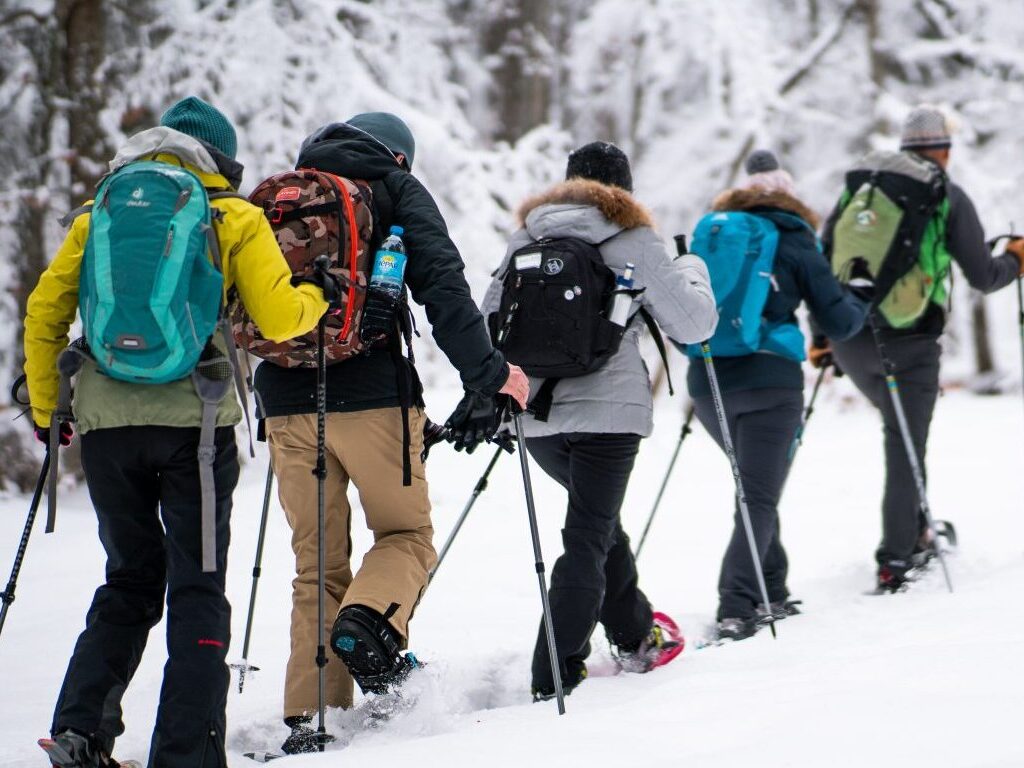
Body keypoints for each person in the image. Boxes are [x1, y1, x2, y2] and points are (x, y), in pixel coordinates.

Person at [24, 97, 332, 768]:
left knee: (129, 579)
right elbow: (279, 319)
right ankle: (186, 754)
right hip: (194, 423)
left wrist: (51, 411)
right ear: (221, 160)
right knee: (198, 585)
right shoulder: (232, 216)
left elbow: (45, 310)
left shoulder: (101, 211)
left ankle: (80, 729)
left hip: (107, 426)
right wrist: (319, 298)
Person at [253, 113, 529, 752]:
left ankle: (311, 717)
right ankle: (368, 625)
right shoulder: (396, 189)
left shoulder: (282, 197)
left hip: (286, 400)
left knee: (315, 562)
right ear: (399, 156)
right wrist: (489, 378)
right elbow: (443, 289)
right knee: (405, 534)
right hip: (375, 396)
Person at [481, 141, 718, 699]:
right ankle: (555, 672)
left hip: (536, 417)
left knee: (597, 523)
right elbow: (694, 325)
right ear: (623, 190)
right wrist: (692, 267)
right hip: (609, 418)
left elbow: (490, 318)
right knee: (588, 535)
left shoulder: (527, 238)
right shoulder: (632, 238)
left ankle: (636, 634)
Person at [814, 106, 1024, 592]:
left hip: (848, 340)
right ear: (944, 150)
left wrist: (821, 337)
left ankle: (916, 532)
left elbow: (822, 260)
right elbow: (984, 276)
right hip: (908, 343)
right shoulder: (946, 193)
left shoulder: (858, 190)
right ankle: (898, 557)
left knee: (899, 434)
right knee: (905, 445)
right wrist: (1015, 259)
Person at [688, 150, 868, 641]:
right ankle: (736, 605)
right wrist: (862, 294)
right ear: (787, 193)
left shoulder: (716, 232)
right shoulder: (794, 236)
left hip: (707, 383)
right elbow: (840, 320)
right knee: (759, 494)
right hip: (770, 381)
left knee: (753, 488)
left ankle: (771, 589)